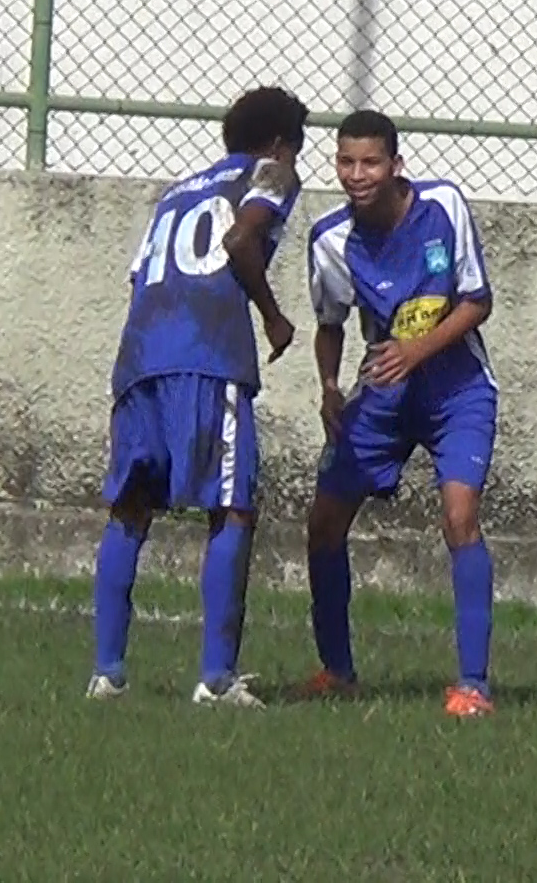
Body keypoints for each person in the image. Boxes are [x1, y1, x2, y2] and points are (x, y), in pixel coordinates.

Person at [86, 85, 308, 708]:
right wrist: (273, 318)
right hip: (208, 353)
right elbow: (239, 241)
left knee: (130, 508)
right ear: (279, 144)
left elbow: (139, 276)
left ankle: (107, 673)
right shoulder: (270, 173)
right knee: (232, 507)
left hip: (140, 356)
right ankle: (216, 678)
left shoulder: (176, 193)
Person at [298, 109, 500, 719]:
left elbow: (477, 302)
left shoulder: (443, 206)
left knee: (459, 517)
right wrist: (329, 388)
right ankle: (337, 671)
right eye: (346, 162)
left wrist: (416, 351)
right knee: (324, 521)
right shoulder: (330, 240)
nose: (357, 175)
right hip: (384, 392)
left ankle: (473, 686)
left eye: (370, 163)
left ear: (395, 165)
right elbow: (330, 323)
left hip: (456, 388)